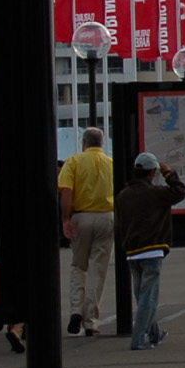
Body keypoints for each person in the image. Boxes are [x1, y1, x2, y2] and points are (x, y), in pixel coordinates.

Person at [114, 151, 185, 350]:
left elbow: (119, 225)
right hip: (152, 251)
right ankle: (138, 339)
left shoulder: (123, 195)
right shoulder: (156, 193)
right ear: (151, 173)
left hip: (132, 252)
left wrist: (124, 246)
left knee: (142, 297)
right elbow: (180, 191)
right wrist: (169, 174)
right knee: (149, 298)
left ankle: (155, 334)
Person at [60, 127, 119, 337]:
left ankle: (76, 309)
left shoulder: (74, 162)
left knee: (78, 266)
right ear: (102, 143)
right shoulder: (111, 164)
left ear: (84, 143)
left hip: (81, 217)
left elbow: (67, 191)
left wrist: (66, 218)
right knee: (98, 269)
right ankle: (91, 320)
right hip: (106, 217)